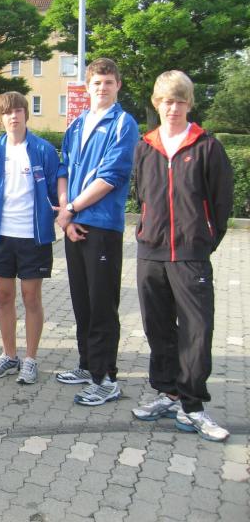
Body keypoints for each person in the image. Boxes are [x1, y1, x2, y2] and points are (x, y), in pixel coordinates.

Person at [131, 71, 233, 441]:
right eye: (166, 101)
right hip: (151, 252)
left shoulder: (207, 147)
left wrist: (202, 240)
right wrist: (147, 230)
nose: (172, 108)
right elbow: (141, 194)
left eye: (179, 101)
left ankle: (192, 405)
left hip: (190, 254)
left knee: (196, 330)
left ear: (189, 104)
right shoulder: (145, 147)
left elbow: (221, 203)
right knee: (157, 326)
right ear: (156, 104)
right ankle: (168, 392)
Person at [55, 57, 139, 406]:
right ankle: (88, 365)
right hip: (74, 222)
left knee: (102, 303)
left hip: (102, 225)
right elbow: (63, 169)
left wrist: (72, 209)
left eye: (108, 82)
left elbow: (111, 176)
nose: (102, 88)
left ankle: (107, 379)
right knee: (82, 300)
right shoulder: (77, 124)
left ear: (118, 85)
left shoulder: (123, 124)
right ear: (87, 87)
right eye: (96, 83)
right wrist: (66, 212)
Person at [0, 92, 60, 384]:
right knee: (4, 297)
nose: (13, 116)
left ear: (26, 114)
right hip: (2, 236)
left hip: (33, 236)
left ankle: (30, 359)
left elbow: (53, 191)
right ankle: (9, 355)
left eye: (18, 110)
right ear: (0, 118)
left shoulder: (43, 149)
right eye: (7, 112)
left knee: (31, 297)